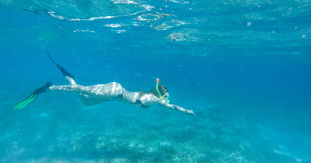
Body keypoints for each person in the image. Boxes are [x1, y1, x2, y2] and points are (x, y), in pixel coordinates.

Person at [14, 52, 194, 115]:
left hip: (114, 96)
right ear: (160, 94)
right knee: (83, 90)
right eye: (166, 95)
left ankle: (69, 77)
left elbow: (167, 103)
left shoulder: (150, 97)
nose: (168, 98)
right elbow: (172, 107)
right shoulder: (154, 99)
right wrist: (187, 111)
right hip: (115, 92)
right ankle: (49, 88)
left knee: (85, 100)